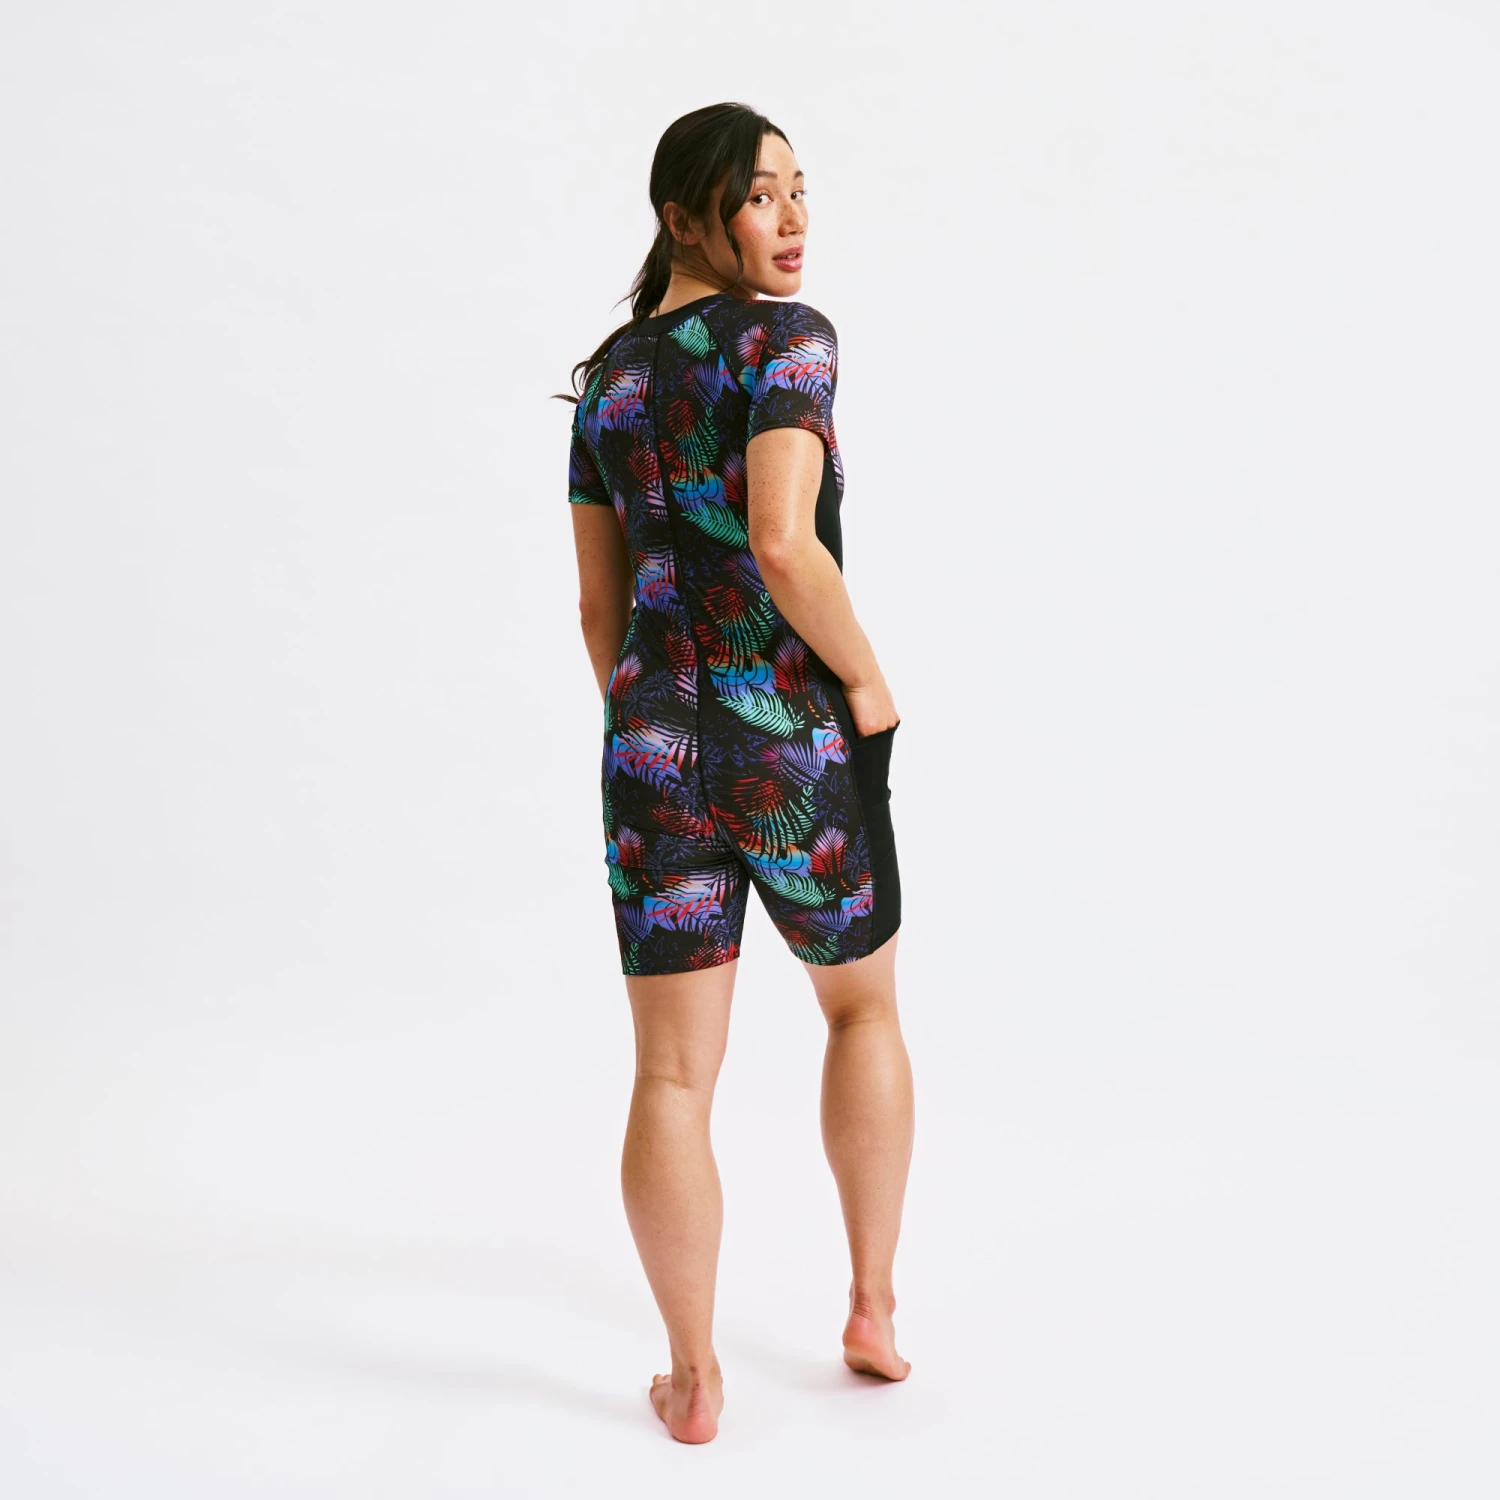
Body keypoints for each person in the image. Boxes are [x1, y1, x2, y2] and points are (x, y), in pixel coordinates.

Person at [558, 102, 915, 1444]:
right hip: (791, 734)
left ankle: (694, 1378)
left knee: (670, 1077)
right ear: (683, 215)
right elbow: (782, 540)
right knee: (861, 1012)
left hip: (649, 744)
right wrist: (865, 682)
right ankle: (871, 1308)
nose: (794, 217)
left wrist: (657, 718)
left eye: (800, 190)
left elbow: (599, 615)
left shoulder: (607, 383)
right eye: (761, 194)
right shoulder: (787, 342)